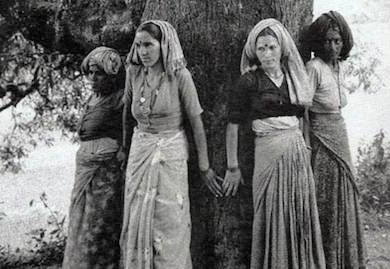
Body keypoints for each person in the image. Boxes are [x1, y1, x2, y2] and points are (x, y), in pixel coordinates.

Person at [119, 20, 221, 269]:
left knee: (168, 221)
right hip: (140, 151)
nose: (143, 51)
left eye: (149, 45)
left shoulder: (180, 76)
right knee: (137, 219)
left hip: (171, 153)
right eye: (139, 45)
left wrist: (205, 166)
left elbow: (196, 123)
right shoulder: (134, 73)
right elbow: (126, 114)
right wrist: (124, 147)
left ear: (163, 45)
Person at [225, 18, 326, 268]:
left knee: (298, 210)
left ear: (282, 48)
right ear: (254, 52)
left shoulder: (294, 79)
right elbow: (233, 125)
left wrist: (305, 148)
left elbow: (301, 120)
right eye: (261, 48)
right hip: (267, 152)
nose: (267, 53)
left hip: (296, 154)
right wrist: (233, 167)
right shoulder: (249, 81)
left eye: (272, 47)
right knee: (271, 212)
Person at [303, 11, 366, 269]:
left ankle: (347, 260)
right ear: (319, 42)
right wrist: (306, 145)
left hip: (340, 135)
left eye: (337, 41)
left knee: (345, 194)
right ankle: (327, 260)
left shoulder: (339, 67)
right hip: (321, 140)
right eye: (327, 41)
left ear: (344, 42)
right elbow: (303, 110)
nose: (332, 46)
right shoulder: (314, 68)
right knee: (326, 199)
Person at [62, 46, 125, 269]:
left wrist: (120, 150)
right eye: (90, 72)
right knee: (79, 221)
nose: (93, 78)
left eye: (98, 73)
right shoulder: (92, 99)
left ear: (110, 75)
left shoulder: (120, 99)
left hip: (105, 170)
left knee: (99, 223)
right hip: (85, 167)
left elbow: (128, 130)